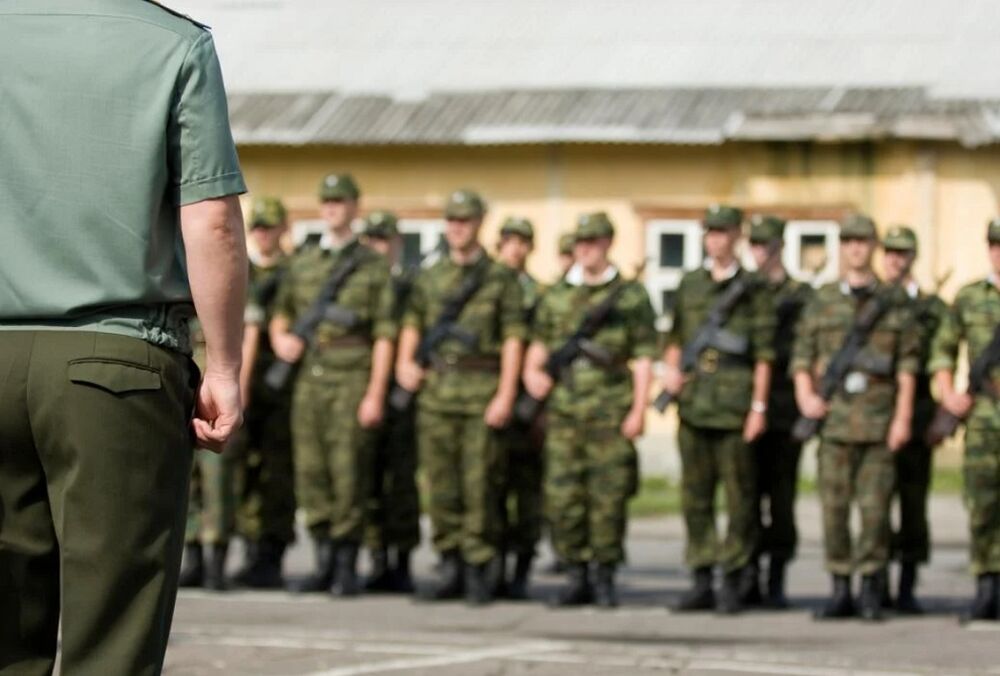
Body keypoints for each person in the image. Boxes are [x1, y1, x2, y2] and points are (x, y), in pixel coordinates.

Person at [0, 2, 247, 673]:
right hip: (115, 367)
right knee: (112, 639)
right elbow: (212, 223)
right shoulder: (172, 44)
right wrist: (224, 366)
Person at [396, 189, 526, 605]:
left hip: (481, 393)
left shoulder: (499, 279)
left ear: (479, 224)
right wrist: (404, 364)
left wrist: (506, 393)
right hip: (437, 394)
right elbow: (413, 323)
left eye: (464, 221)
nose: (456, 228)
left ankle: (478, 568)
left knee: (480, 485)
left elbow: (512, 338)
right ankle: (449, 562)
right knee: (442, 484)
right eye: (451, 221)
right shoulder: (430, 277)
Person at [270, 174, 397, 597]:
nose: (332, 208)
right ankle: (323, 559)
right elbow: (281, 313)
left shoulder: (372, 265)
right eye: (326, 201)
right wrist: (280, 339)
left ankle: (346, 563)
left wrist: (376, 392)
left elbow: (385, 333)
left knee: (348, 472)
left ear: (355, 207)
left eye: (340, 201)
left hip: (352, 375)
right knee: (312, 471)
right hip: (310, 377)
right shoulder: (303, 262)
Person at [524, 212, 657, 608]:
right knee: (563, 496)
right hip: (565, 411)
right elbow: (540, 344)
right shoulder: (558, 294)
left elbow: (644, 357)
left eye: (593, 241)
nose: (585, 249)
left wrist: (638, 410)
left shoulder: (631, 297)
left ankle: (603, 574)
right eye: (580, 242)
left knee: (608, 497)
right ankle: (574, 571)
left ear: (607, 243)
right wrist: (533, 374)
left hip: (610, 411)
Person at [792, 214, 918, 622]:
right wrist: (806, 396)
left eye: (863, 242)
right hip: (833, 423)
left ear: (873, 247)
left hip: (879, 422)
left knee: (876, 511)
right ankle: (839, 586)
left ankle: (870, 587)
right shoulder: (823, 299)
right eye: (849, 242)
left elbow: (907, 367)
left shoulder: (893, 302)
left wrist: (902, 419)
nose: (856, 249)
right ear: (841, 248)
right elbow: (801, 356)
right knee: (834, 509)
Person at [661, 205, 774, 615]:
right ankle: (701, 577)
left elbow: (764, 352)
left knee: (740, 499)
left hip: (735, 403)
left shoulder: (754, 287)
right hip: (694, 403)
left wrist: (758, 407)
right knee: (696, 497)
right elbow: (674, 336)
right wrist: (670, 373)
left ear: (737, 236)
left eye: (723, 233)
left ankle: (734, 578)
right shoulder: (690, 285)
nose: (716, 240)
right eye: (710, 233)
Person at [928, 219, 1000, 622]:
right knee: (982, 505)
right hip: (983, 419)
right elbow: (942, 348)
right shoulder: (970, 297)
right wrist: (948, 392)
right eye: (995, 244)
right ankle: (986, 586)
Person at [744, 215, 814, 608]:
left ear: (780, 247)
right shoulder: (743, 292)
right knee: (746, 497)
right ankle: (748, 574)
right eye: (755, 245)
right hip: (745, 410)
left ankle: (777, 577)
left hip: (785, 410)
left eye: (766, 245)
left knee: (782, 498)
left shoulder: (801, 295)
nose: (760, 253)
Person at [231, 197, 298, 589]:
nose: (262, 234)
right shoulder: (244, 268)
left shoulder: (294, 273)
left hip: (280, 389)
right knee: (244, 472)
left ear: (283, 229)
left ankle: (272, 553)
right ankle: (249, 548)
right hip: (242, 382)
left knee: (277, 473)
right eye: (257, 227)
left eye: (269, 227)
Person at [880, 225, 947, 614]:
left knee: (912, 504)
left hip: (918, 414)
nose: (895, 259)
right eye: (890, 251)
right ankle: (876, 583)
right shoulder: (871, 303)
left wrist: (940, 413)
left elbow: (943, 359)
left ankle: (907, 584)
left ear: (913, 257)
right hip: (873, 414)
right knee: (875, 506)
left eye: (903, 252)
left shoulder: (932, 308)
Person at [360, 210, 422, 593]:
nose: (379, 247)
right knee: (366, 479)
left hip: (402, 396)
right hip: (360, 387)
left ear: (397, 243)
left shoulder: (411, 286)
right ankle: (377, 557)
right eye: (373, 240)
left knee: (401, 479)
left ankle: (402, 560)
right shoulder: (357, 284)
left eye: (386, 240)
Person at [495, 216, 545, 599]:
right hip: (489, 394)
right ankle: (490, 566)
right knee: (489, 488)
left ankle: (522, 569)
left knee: (527, 490)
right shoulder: (485, 287)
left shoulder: (539, 296)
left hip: (528, 405)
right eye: (509, 240)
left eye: (522, 241)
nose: (516, 248)